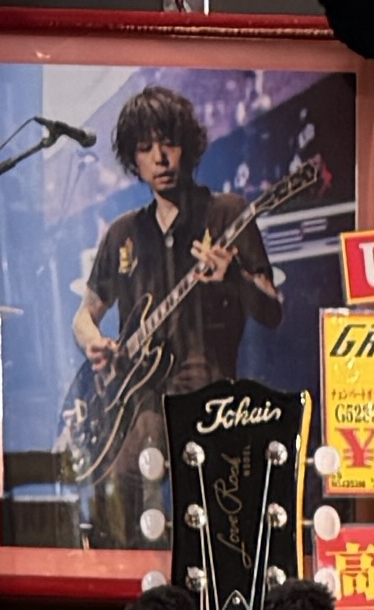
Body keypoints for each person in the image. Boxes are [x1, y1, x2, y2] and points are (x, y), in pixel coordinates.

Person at [68, 87, 285, 547]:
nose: (160, 157)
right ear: (133, 160)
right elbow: (85, 314)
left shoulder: (226, 214)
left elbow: (272, 310)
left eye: (168, 142)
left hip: (210, 403)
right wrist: (95, 343)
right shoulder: (124, 233)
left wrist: (233, 277)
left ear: (187, 144)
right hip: (137, 403)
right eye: (145, 148)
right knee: (119, 503)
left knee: (212, 526)